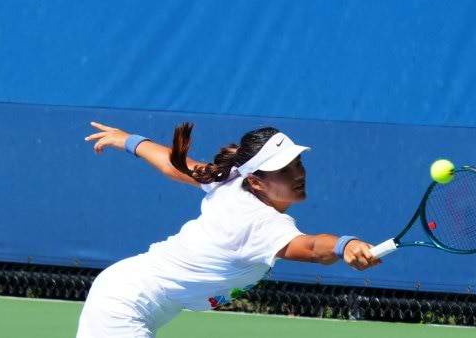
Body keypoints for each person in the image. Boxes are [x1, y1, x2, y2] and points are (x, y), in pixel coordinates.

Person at [76, 121, 382, 337]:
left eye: (297, 164)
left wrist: (130, 140)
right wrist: (345, 245)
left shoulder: (234, 179)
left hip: (132, 295)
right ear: (256, 181)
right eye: (283, 170)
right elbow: (314, 248)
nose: (297, 174)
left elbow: (176, 166)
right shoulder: (258, 222)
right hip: (125, 304)